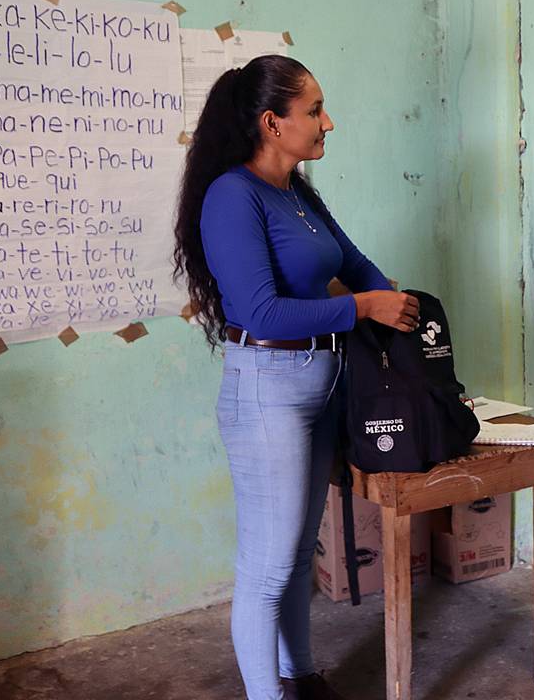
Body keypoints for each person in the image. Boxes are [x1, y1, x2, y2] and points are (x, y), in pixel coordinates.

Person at [172, 54, 418, 700]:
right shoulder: (233, 195)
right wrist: (364, 307)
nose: (327, 122)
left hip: (321, 385)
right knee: (266, 569)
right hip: (267, 392)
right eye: (314, 111)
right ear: (271, 122)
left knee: (298, 553)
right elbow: (257, 310)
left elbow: (354, 261)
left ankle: (301, 678)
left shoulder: (296, 192)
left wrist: (389, 296)